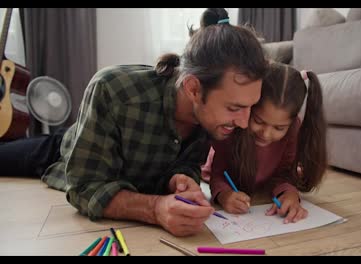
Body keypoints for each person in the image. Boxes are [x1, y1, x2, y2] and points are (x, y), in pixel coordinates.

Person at [0, 8, 267, 237]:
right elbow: (84, 187)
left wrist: (181, 178)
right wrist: (154, 209)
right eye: (235, 108)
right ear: (193, 89)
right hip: (69, 149)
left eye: (250, 107)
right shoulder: (113, 90)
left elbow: (188, 162)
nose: (244, 122)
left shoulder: (212, 118)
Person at [203, 61, 327, 224]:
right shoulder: (233, 128)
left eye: (279, 128)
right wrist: (225, 195)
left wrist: (289, 193)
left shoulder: (292, 129)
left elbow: (284, 173)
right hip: (220, 174)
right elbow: (219, 173)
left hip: (264, 183)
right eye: (258, 121)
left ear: (291, 123)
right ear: (250, 107)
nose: (266, 134)